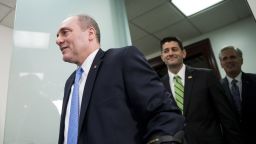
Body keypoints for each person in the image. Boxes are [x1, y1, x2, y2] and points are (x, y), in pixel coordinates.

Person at [55, 14, 185, 144]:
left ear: (90, 33)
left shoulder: (122, 59)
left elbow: (163, 113)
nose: (58, 40)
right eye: (57, 36)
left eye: (65, 33)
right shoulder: (70, 83)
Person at [160, 36, 242, 144]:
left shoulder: (206, 76)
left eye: (174, 49)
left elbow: (226, 116)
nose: (170, 53)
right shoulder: (159, 86)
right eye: (166, 51)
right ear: (162, 57)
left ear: (183, 53)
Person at [219, 46, 256, 144]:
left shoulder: (254, 80)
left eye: (233, 57)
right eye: (225, 59)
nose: (229, 61)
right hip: (233, 140)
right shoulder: (216, 88)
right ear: (221, 64)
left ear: (241, 60)